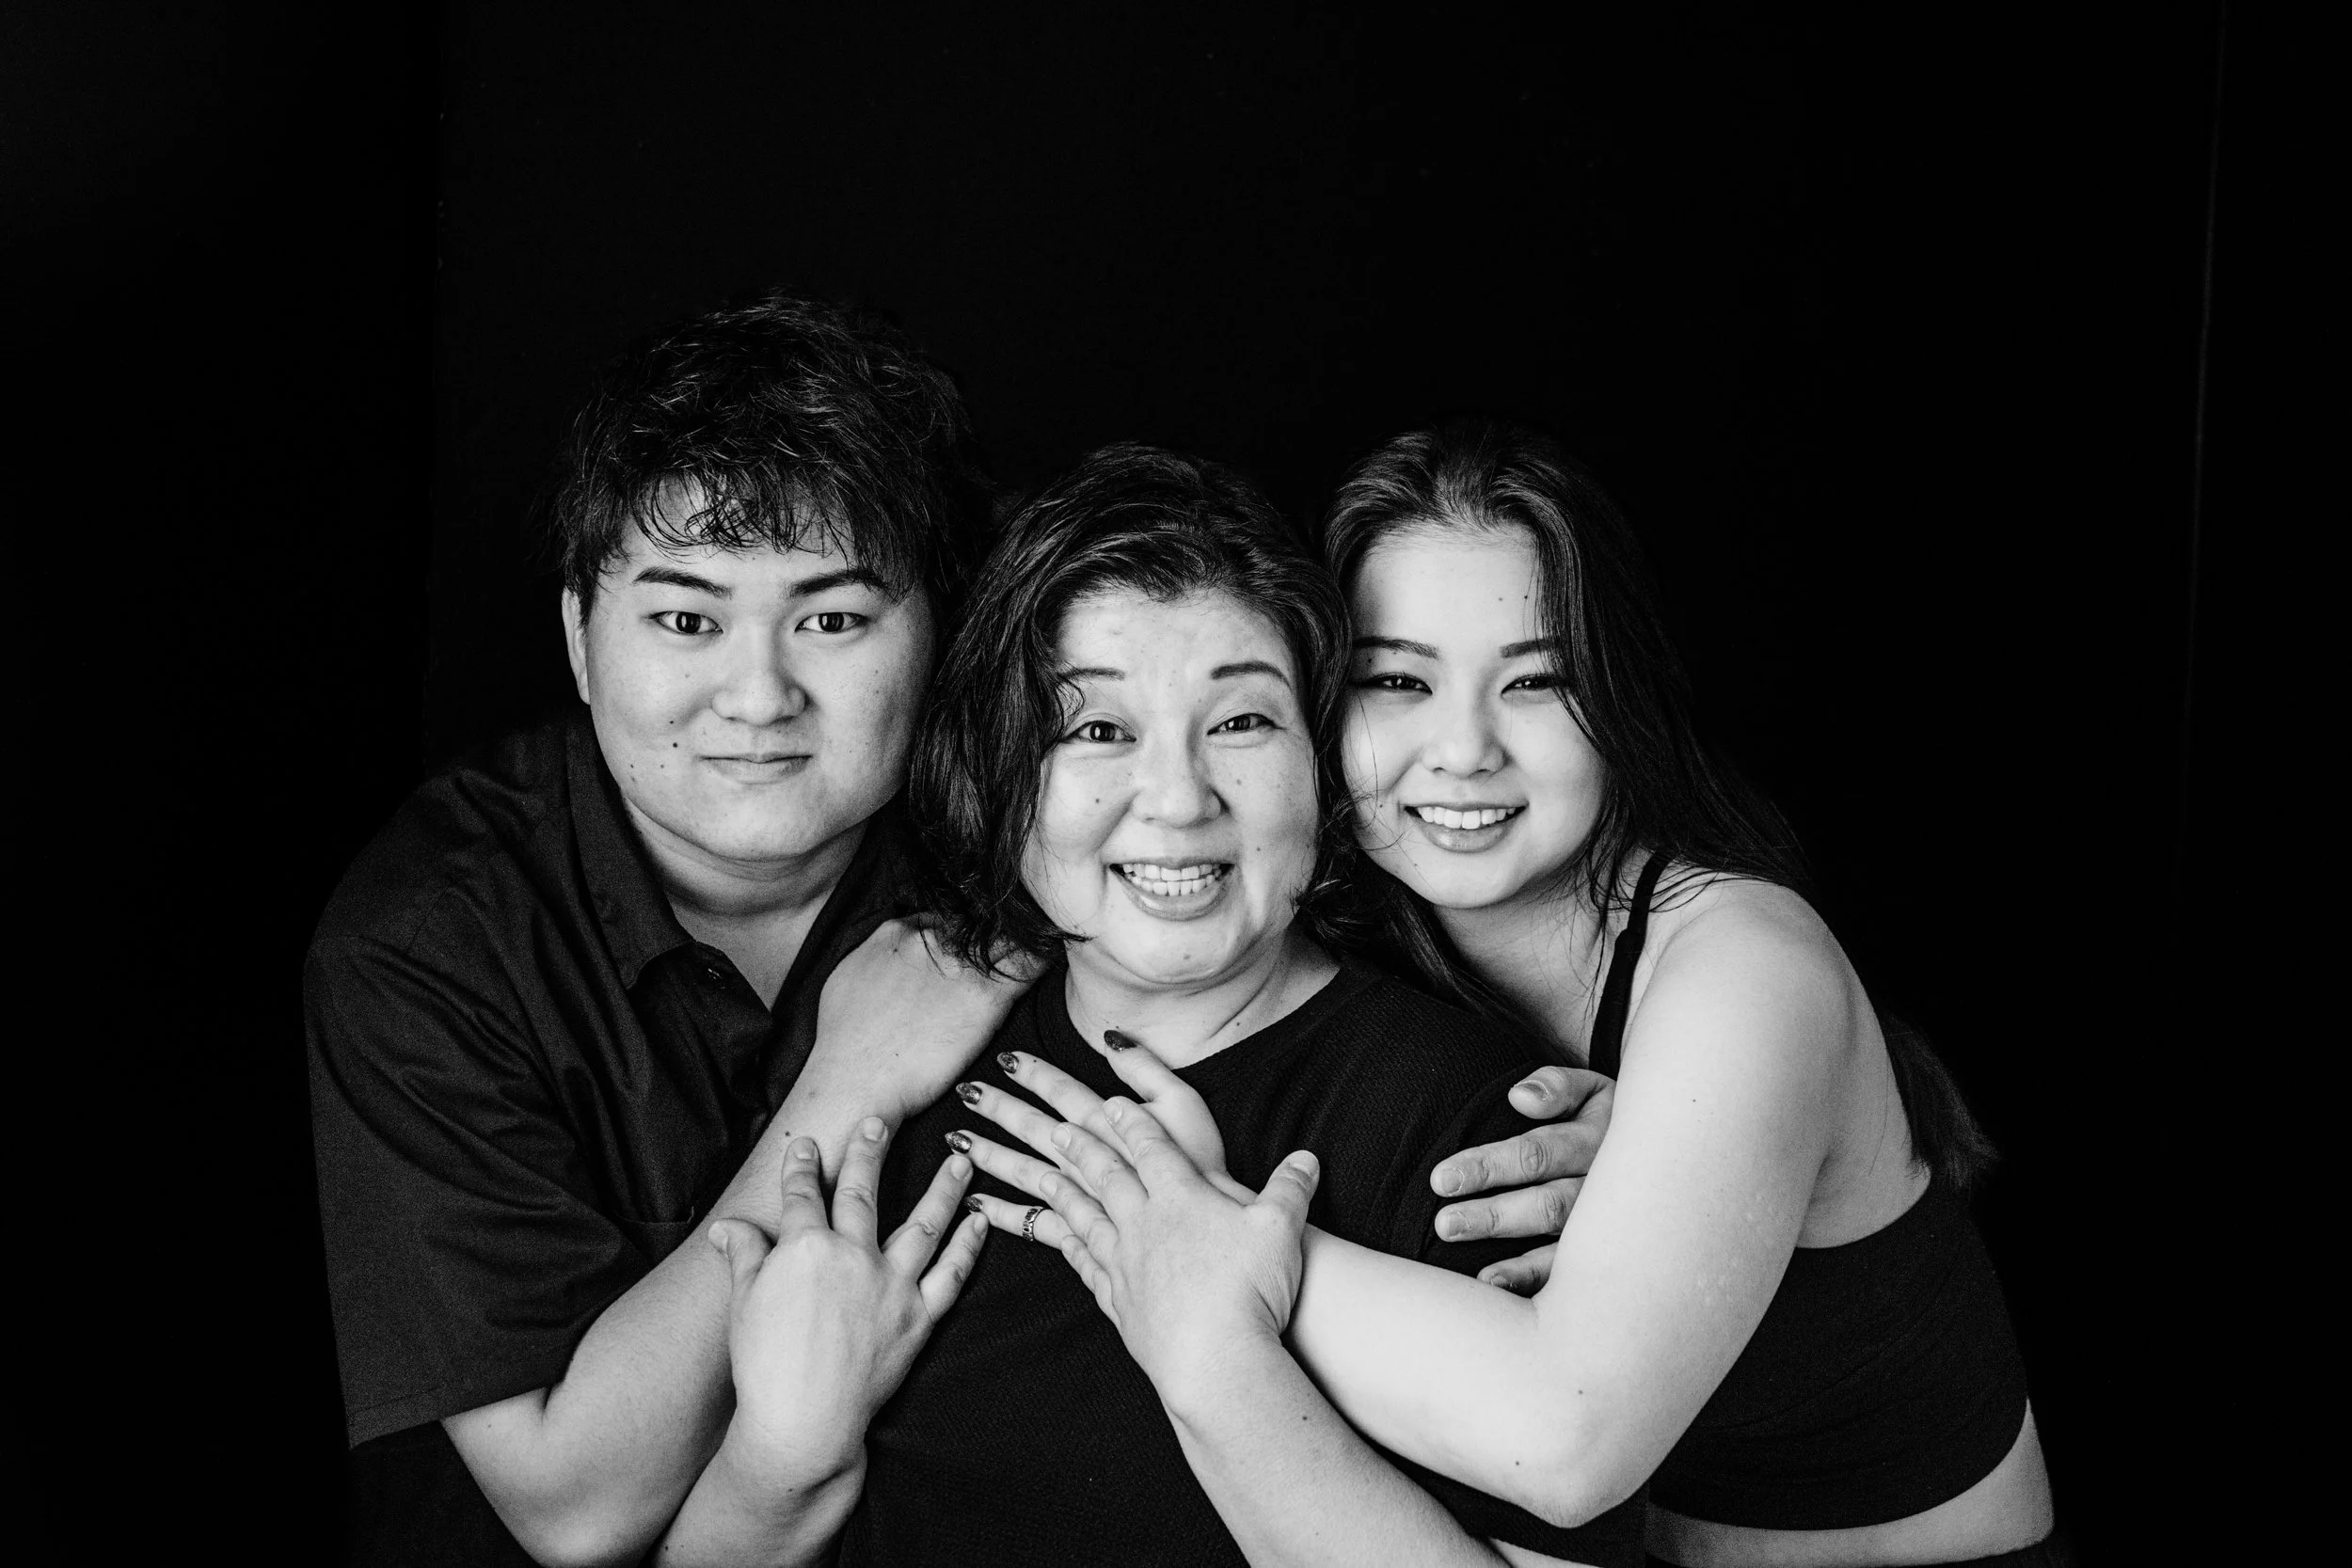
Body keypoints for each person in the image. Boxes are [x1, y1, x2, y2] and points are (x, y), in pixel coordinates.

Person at [961, 420, 2067, 1566]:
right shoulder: (1364, 920)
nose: (1461, 749)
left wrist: (1206, 1238)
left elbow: (1568, 1439)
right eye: (1397, 678)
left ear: (1620, 702)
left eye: (1536, 680)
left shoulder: (1743, 965)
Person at [720, 443, 1647, 1564]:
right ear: (995, 772)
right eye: (1098, 729)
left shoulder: (1480, 1138)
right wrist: (775, 1460)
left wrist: (1219, 1360)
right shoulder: (897, 1061)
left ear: (1323, 762)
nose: (1176, 797)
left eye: (1242, 722)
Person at [306, 292, 1024, 1567]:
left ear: (937, 633)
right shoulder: (430, 941)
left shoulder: (1018, 862)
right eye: (687, 618)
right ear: (583, 635)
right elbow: (571, 1504)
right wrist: (850, 1078)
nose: (759, 695)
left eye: (835, 618)